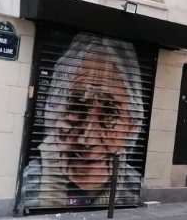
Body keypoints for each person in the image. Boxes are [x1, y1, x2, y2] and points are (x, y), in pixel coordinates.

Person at [19, 33, 144, 209]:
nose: (87, 139)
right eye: (77, 108)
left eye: (109, 113)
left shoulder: (135, 188)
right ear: (56, 111)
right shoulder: (25, 185)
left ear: (132, 124)